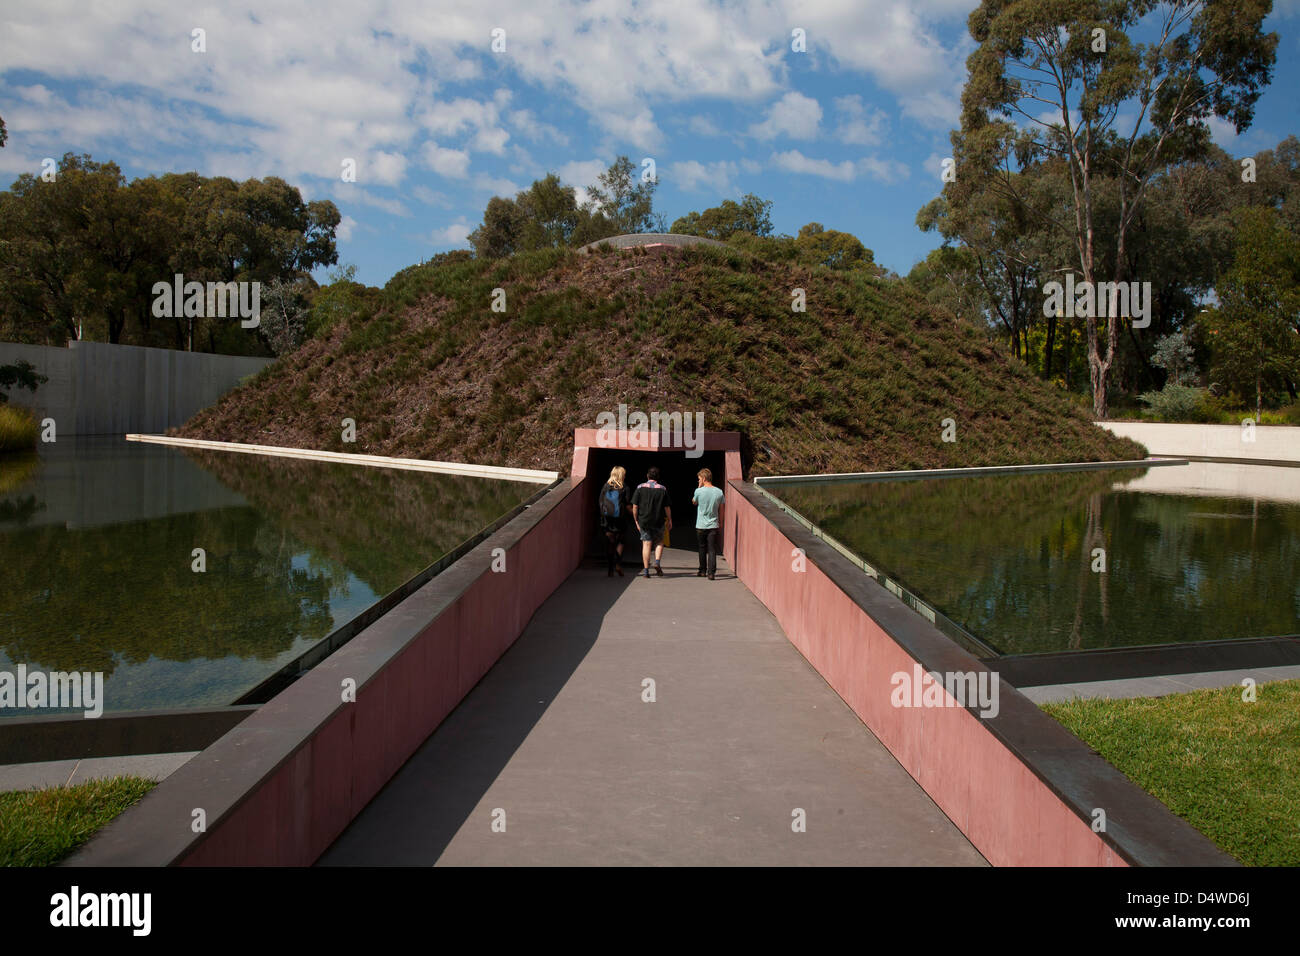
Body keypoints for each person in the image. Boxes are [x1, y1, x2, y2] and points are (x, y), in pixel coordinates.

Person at [630, 466, 671, 578]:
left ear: (647, 476)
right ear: (657, 477)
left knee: (646, 544)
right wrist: (670, 520)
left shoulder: (640, 487)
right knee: (659, 542)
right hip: (658, 520)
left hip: (644, 520)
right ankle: (657, 562)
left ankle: (646, 571)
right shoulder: (662, 489)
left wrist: (636, 520)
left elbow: (635, 506)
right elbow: (667, 507)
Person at [597, 465, 631, 577]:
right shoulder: (625, 487)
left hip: (607, 520)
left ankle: (610, 569)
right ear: (622, 475)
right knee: (620, 542)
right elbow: (627, 503)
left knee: (610, 543)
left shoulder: (606, 486)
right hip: (620, 520)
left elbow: (600, 502)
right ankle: (618, 564)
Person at [692, 468, 724, 580]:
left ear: (704, 478)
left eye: (699, 479)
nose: (698, 481)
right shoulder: (719, 492)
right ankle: (711, 573)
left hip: (700, 525)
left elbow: (694, 502)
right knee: (711, 549)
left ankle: (702, 570)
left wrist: (699, 487)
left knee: (702, 548)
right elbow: (722, 509)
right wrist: (721, 523)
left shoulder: (698, 491)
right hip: (713, 525)